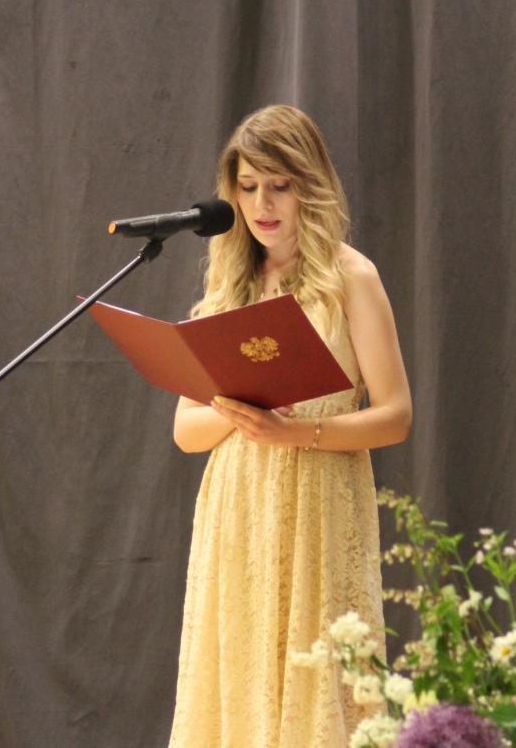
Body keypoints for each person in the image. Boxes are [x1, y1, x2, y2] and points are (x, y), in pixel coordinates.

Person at [168, 104, 412, 747]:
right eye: (248, 187)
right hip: (239, 506)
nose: (262, 204)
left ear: (311, 185)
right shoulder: (230, 283)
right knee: (239, 678)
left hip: (319, 503)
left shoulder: (350, 277)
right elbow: (186, 432)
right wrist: (236, 410)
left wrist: (296, 432)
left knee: (318, 683)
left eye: (279, 185)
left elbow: (396, 415)